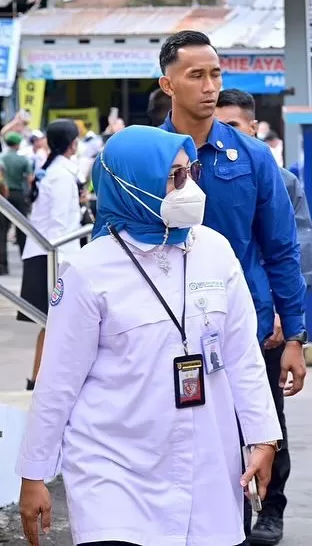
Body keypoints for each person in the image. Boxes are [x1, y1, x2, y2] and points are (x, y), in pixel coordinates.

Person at [16, 125, 281, 546]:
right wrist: (34, 474)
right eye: (174, 177)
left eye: (191, 172)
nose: (189, 187)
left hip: (207, 464)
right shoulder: (89, 270)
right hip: (113, 468)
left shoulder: (215, 251)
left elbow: (242, 355)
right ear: (131, 185)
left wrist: (263, 436)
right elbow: (58, 382)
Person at [149, 31, 306, 543]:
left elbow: (281, 248)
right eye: (196, 75)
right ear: (168, 84)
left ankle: (262, 515)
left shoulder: (253, 157)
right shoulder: (146, 157)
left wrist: (295, 335)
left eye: (215, 74)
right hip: (164, 328)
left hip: (245, 330)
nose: (209, 85)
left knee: (255, 433)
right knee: (178, 447)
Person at [214, 88, 312, 546]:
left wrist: (285, 319)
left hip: (265, 326)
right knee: (216, 426)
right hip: (211, 321)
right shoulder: (195, 175)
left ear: (254, 128)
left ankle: (271, 509)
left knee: (267, 421)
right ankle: (228, 516)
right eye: (219, 127)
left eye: (234, 126)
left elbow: (296, 253)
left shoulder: (282, 181)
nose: (225, 137)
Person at [19, 120, 82, 391]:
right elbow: (59, 228)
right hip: (52, 257)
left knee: (53, 324)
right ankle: (39, 382)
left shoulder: (56, 170)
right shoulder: (61, 175)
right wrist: (66, 269)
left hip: (46, 255)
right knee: (53, 323)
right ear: (72, 144)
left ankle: (39, 381)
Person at [1, 132, 34, 261]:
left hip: (3, 197)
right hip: (19, 195)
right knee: (22, 228)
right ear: (18, 144)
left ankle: (2, 265)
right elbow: (30, 180)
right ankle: (25, 259)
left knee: (2, 230)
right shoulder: (23, 160)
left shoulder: (1, 158)